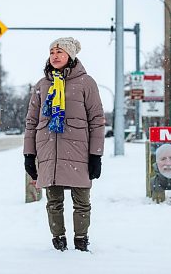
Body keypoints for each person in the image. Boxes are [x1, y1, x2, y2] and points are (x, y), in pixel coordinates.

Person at [23, 37, 105, 252]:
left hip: (78, 152)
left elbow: (96, 119)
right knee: (54, 202)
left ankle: (81, 241)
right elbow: (31, 121)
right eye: (52, 52)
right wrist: (29, 155)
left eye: (60, 52)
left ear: (71, 55)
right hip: (49, 150)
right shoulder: (42, 85)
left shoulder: (86, 82)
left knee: (82, 201)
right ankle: (58, 241)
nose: (55, 56)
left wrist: (96, 155)